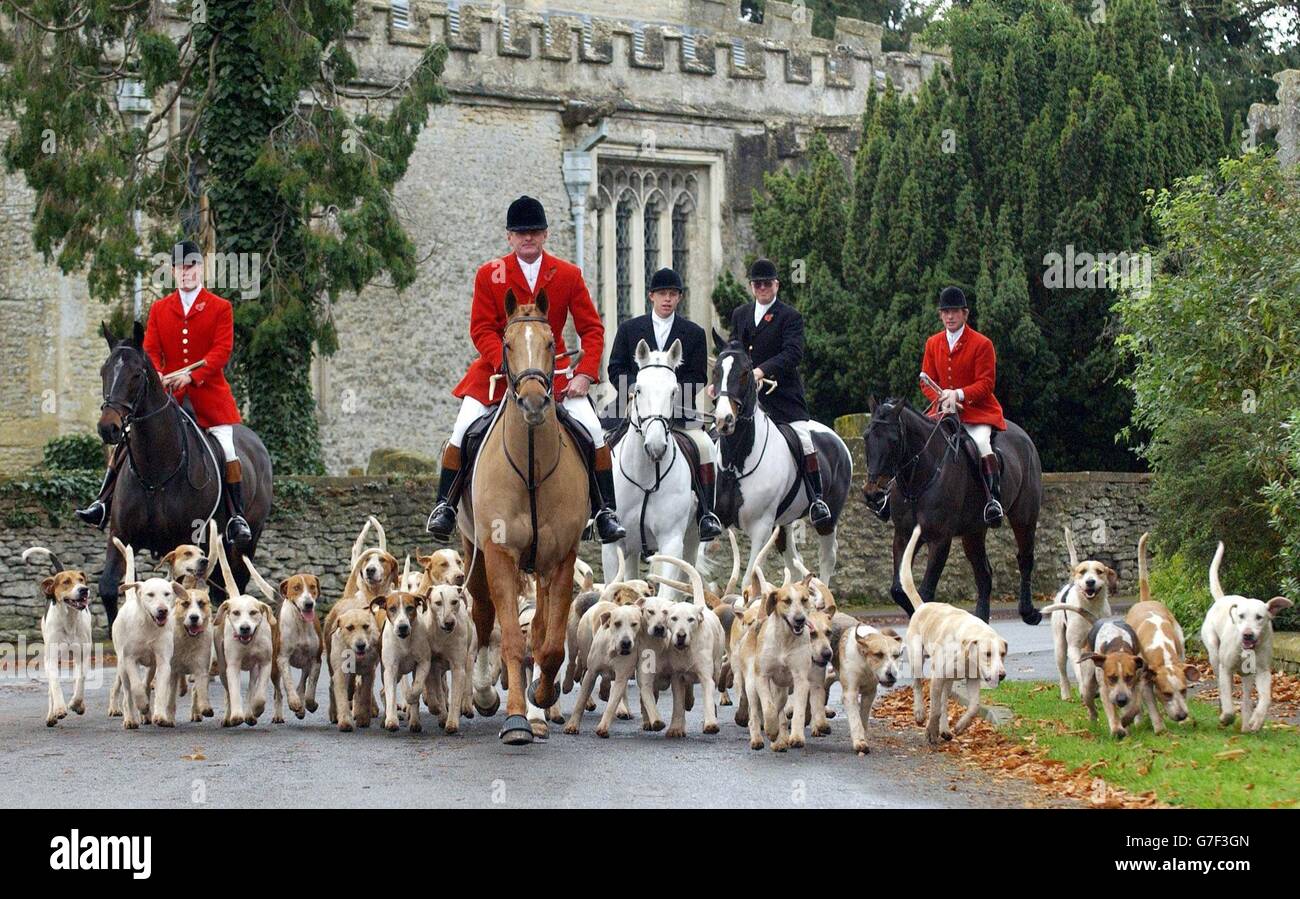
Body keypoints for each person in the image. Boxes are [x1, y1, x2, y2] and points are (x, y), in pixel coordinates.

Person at [425, 196, 626, 544]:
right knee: (460, 431)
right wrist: (505, 362)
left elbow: (592, 329)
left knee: (594, 432)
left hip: (557, 376)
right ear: (509, 237)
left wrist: (584, 374)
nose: (527, 239)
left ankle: (605, 511)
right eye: (520, 234)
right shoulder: (490, 274)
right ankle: (444, 506)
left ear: (546, 235)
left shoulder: (567, 274)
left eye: (533, 232)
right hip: (498, 375)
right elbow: (481, 329)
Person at [76, 240, 253, 545]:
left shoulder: (220, 308)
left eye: (192, 267)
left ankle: (236, 516)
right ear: (173, 272)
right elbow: (151, 350)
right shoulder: (160, 308)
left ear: (201, 269)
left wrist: (192, 375)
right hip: (168, 398)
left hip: (209, 396)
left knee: (228, 448)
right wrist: (157, 373)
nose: (187, 273)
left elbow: (221, 351)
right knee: (127, 442)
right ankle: (102, 503)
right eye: (181, 268)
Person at [605, 267, 723, 541]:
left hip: (677, 409)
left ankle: (706, 514)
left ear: (679, 298)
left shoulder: (693, 333)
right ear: (651, 296)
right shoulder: (629, 329)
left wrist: (669, 395)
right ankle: (601, 512)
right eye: (662, 294)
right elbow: (615, 367)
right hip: (634, 406)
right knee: (601, 443)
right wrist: (636, 389)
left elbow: (698, 375)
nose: (667, 299)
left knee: (705, 446)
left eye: (672, 294)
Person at [723, 258, 831, 528]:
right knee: (720, 436)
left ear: (776, 285)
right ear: (751, 287)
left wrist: (762, 371)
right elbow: (734, 349)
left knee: (804, 440)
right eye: (757, 284)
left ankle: (816, 499)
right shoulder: (741, 314)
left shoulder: (789, 316)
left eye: (767, 283)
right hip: (747, 401)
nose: (762, 288)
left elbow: (793, 354)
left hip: (783, 400)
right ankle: (716, 501)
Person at [919, 285, 1006, 526]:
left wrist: (957, 395)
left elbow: (986, 383)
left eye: (954, 312)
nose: (950, 316)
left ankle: (993, 501)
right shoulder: (933, 343)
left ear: (965, 314)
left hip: (977, 411)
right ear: (940, 315)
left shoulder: (982, 344)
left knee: (981, 443)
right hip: (942, 410)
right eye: (945, 312)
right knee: (920, 441)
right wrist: (940, 399)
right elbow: (925, 379)